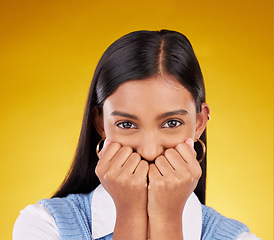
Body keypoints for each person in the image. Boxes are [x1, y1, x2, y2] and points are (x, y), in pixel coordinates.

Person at [13, 30, 260, 240]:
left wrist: (167, 220)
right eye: (127, 124)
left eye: (171, 122)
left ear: (199, 123)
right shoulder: (43, 226)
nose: (150, 151)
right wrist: (129, 214)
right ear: (100, 124)